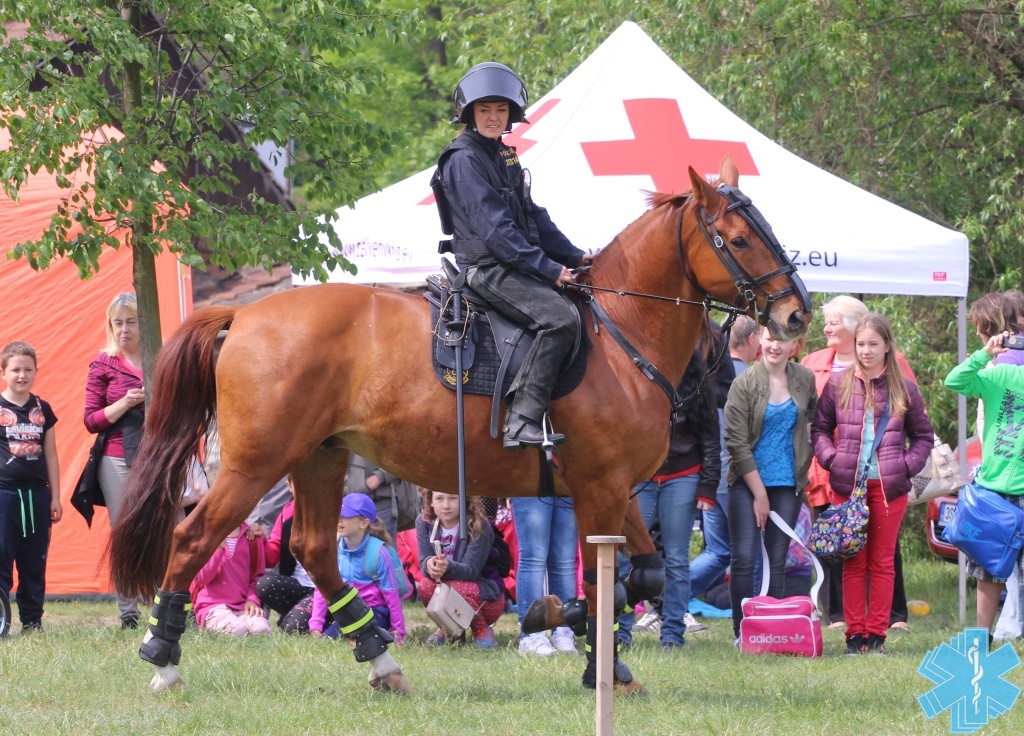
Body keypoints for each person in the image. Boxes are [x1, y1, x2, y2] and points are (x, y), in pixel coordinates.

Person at [432, 62, 593, 449]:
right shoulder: (464, 160)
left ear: (510, 115)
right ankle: (521, 420)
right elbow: (496, 232)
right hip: (486, 270)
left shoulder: (503, 156)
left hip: (509, 264)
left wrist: (575, 257)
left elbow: (532, 215)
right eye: (485, 109)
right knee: (559, 320)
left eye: (500, 110)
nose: (493, 117)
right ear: (469, 112)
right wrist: (549, 269)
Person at [812, 313, 933, 656]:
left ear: (887, 347)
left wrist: (905, 466)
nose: (865, 351)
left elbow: (923, 436)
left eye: (872, 345)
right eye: (861, 344)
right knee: (853, 561)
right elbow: (818, 429)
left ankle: (876, 635)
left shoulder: (903, 387)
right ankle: (854, 636)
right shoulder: (838, 383)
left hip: (888, 488)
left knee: (881, 562)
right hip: (848, 488)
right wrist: (831, 459)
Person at [621, 343, 721, 650]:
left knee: (677, 560)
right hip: (644, 476)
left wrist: (707, 485)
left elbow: (710, 438)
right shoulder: (636, 375)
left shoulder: (697, 384)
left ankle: (673, 634)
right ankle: (620, 631)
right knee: (629, 558)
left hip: (683, 475)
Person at [725, 325, 817, 642]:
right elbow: (735, 443)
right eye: (769, 338)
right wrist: (759, 494)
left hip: (787, 483)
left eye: (782, 339)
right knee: (745, 558)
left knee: (777, 559)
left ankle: (773, 631)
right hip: (747, 482)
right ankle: (741, 631)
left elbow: (812, 422)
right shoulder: (744, 383)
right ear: (759, 341)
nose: (775, 345)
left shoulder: (805, 379)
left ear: (795, 344)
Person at [950, 314, 1024, 636]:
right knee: (988, 571)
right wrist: (984, 355)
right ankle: (981, 639)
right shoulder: (1000, 375)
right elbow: (955, 381)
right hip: (995, 489)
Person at [83, 292, 146, 629]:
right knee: (123, 532)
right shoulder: (103, 363)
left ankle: (164, 603)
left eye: (131, 322)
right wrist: (124, 403)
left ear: (143, 324)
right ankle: (128, 612)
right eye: (118, 323)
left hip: (154, 458)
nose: (124, 330)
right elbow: (91, 420)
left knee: (158, 529)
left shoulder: (159, 358)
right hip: (115, 458)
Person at [688, 318, 751, 616]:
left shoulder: (703, 377)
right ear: (751, 340)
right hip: (735, 476)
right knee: (739, 551)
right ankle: (750, 612)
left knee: (718, 550)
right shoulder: (749, 379)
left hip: (710, 474)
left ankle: (668, 596)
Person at [0, 342, 60, 633]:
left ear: (36, 371)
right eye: (15, 369)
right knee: (1, 557)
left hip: (37, 496)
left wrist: (55, 497)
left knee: (34, 559)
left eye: (28, 369)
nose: (22, 375)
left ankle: (32, 622)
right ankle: (2, 621)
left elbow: (51, 455)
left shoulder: (43, 409)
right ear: (3, 373)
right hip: (4, 496)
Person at [309, 493, 407, 644]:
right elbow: (322, 590)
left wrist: (398, 635)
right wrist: (315, 625)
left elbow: (392, 597)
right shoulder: (334, 550)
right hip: (345, 611)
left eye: (346, 515)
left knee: (356, 640)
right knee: (329, 641)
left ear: (364, 523)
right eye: (337, 514)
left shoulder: (379, 554)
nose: (339, 519)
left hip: (374, 612)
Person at [415, 489, 505, 647]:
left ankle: (481, 630)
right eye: (440, 499)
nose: (446, 505)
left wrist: (446, 567)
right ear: (431, 501)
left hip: (485, 597)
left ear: (464, 500)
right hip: (447, 590)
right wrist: (429, 564)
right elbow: (423, 560)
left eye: (453, 498)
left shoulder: (479, 525)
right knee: (425, 586)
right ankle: (450, 628)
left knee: (453, 589)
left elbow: (470, 571)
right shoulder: (424, 522)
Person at [511, 495, 578, 655]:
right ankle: (531, 634)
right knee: (534, 557)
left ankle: (563, 631)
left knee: (564, 560)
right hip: (531, 479)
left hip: (567, 478)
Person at [254, 478, 316, 634]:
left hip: (323, 590)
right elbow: (272, 557)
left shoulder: (334, 512)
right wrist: (261, 539)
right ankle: (298, 613)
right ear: (289, 486)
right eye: (300, 485)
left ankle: (309, 618)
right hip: (298, 584)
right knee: (264, 585)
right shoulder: (287, 513)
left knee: (292, 628)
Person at [189, 521, 271, 637]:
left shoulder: (252, 536)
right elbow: (201, 579)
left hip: (242, 605)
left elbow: (257, 576)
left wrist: (252, 600)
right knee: (237, 631)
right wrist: (218, 548)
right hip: (212, 605)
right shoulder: (204, 535)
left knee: (262, 630)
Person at [346, 454, 410, 542]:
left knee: (384, 551)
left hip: (380, 506)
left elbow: (404, 455)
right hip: (347, 508)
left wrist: (380, 476)